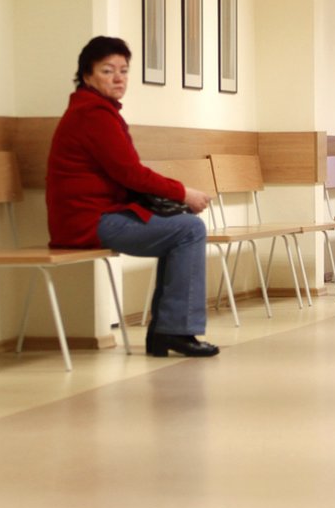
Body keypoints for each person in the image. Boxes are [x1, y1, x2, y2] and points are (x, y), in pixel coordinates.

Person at [46, 36, 219, 358]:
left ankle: (168, 330)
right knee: (189, 229)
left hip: (95, 215)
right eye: (107, 70)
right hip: (88, 221)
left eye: (123, 70)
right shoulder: (93, 114)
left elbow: (126, 173)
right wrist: (184, 193)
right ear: (87, 76)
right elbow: (131, 173)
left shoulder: (95, 110)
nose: (118, 78)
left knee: (181, 228)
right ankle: (173, 331)